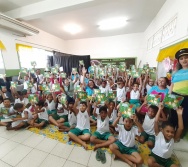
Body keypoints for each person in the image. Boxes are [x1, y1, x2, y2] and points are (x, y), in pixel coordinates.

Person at [169, 48, 188, 140]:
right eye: (181, 58)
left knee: (184, 117)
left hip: (187, 98)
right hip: (174, 96)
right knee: (173, 116)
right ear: (179, 61)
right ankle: (170, 135)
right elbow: (172, 85)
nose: (184, 60)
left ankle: (178, 136)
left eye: (186, 57)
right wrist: (168, 97)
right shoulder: (176, 73)